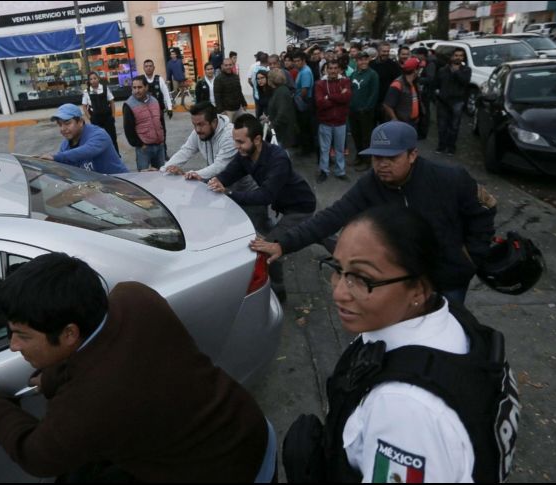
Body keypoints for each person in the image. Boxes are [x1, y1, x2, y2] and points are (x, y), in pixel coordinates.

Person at [0, 252, 277, 482]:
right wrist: (52, 377)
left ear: (70, 333)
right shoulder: (133, 297)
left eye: (22, 336)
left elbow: (34, 455)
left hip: (228, 473)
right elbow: (109, 355)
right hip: (247, 426)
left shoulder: (91, 405)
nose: (13, 346)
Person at [283, 205, 518, 482]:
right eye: (338, 268)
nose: (338, 292)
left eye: (362, 278)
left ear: (418, 289)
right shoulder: (450, 318)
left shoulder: (404, 412)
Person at [250, 121, 497, 305]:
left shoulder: (450, 179)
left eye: (391, 157)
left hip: (449, 278)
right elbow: (331, 217)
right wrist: (283, 244)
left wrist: (471, 256)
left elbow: (484, 210)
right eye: (376, 158)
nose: (382, 164)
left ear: (413, 155)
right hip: (405, 279)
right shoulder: (371, 184)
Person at [208, 114, 316, 302]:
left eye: (240, 142)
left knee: (268, 248)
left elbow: (265, 195)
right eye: (235, 141)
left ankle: (278, 292)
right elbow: (228, 174)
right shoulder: (245, 155)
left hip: (300, 207)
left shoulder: (278, 158)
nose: (236, 146)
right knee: (315, 231)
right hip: (284, 206)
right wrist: (214, 182)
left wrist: (228, 193)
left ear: (257, 140)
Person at [161, 102, 267, 230]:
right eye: (194, 125)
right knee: (233, 231)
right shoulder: (198, 133)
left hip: (249, 194)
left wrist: (194, 174)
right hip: (226, 192)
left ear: (214, 122)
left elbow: (220, 166)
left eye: (201, 124)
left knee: (258, 232)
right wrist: (163, 171)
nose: (197, 130)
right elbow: (185, 151)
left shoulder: (229, 135)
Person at [41, 104, 127, 175]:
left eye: (67, 123)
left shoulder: (99, 135)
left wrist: (55, 157)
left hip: (121, 185)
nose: (63, 128)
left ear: (81, 122)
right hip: (96, 190)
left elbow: (86, 151)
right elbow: (64, 169)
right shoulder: (65, 146)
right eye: (60, 124)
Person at [315, 61, 352, 183]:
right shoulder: (320, 84)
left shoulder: (345, 81)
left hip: (340, 122)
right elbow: (320, 103)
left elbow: (346, 98)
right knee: (324, 149)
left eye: (336, 68)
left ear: (339, 70)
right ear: (326, 70)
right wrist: (338, 97)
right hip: (325, 122)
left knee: (340, 149)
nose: (333, 71)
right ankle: (324, 171)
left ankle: (340, 171)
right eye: (330, 68)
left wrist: (329, 97)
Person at [123, 76, 166, 171]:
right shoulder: (129, 105)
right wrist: (140, 144)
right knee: (143, 179)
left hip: (159, 146)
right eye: (134, 88)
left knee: (162, 176)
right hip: (144, 149)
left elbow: (161, 122)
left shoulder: (154, 101)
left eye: (140, 87)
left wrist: (163, 140)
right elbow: (128, 130)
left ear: (146, 87)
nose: (137, 90)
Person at [435, 47, 472, 156]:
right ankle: (441, 146)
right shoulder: (443, 70)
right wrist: (437, 95)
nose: (458, 58)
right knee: (442, 126)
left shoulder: (466, 70)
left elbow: (465, 82)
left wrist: (456, 72)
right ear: (451, 57)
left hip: (457, 102)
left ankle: (451, 147)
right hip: (442, 102)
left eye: (461, 56)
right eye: (456, 55)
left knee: (454, 126)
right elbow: (436, 84)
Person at [349, 51, 380, 172]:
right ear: (356, 61)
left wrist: (366, 108)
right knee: (356, 136)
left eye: (365, 59)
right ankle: (359, 156)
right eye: (360, 60)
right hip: (353, 110)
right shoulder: (354, 74)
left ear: (368, 60)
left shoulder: (373, 75)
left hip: (365, 112)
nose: (363, 62)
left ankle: (367, 161)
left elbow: (374, 94)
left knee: (366, 137)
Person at [142, 59, 174, 158]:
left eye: (150, 66)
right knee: (148, 133)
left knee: (161, 132)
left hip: (158, 112)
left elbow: (166, 94)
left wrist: (169, 107)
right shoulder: (141, 80)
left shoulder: (159, 79)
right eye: (146, 66)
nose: (148, 68)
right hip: (145, 113)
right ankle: (150, 154)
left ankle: (163, 152)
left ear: (154, 68)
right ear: (143, 68)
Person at [81, 71, 119, 154]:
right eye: (91, 79)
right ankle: (103, 155)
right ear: (89, 81)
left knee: (112, 137)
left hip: (108, 118)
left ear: (98, 79)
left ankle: (116, 154)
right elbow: (84, 106)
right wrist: (90, 118)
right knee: (98, 138)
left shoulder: (105, 88)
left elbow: (112, 102)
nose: (93, 80)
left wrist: (113, 116)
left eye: (95, 78)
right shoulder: (86, 91)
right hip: (96, 119)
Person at [383, 57, 421, 128]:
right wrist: (395, 120)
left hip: (413, 122)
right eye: (419, 68)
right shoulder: (397, 84)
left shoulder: (414, 82)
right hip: (402, 123)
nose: (420, 71)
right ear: (415, 70)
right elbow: (387, 105)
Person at [370, 42, 402, 124]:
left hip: (387, 101)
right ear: (378, 51)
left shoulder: (394, 65)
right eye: (384, 51)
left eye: (388, 51)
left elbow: (398, 81)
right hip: (373, 101)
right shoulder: (371, 64)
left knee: (384, 125)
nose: (386, 53)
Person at [266, 68, 298, 149]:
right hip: (281, 131)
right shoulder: (280, 90)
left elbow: (282, 113)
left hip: (281, 132)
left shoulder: (281, 92)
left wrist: (272, 125)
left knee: (280, 156)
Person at [292, 50, 315, 156]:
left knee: (305, 127)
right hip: (303, 100)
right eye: (295, 61)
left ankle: (307, 150)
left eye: (298, 61)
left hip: (305, 101)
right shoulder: (302, 70)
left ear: (303, 60)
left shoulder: (305, 72)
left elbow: (304, 90)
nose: (296, 63)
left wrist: (299, 100)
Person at [214, 56, 248, 122]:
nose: (228, 67)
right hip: (227, 111)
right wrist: (221, 111)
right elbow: (217, 96)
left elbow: (239, 91)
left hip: (238, 109)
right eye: (226, 65)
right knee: (229, 130)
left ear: (233, 65)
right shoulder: (218, 79)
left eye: (230, 65)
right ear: (222, 66)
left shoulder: (235, 77)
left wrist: (244, 103)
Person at [414, 46, 438, 140]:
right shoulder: (424, 63)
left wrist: (418, 79)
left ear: (422, 55)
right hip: (422, 91)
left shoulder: (430, 64)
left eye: (418, 54)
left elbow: (430, 79)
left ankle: (423, 133)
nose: (416, 56)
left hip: (426, 92)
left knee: (425, 113)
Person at [249, 52, 270, 117]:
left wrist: (255, 88)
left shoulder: (254, 69)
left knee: (258, 114)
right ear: (267, 60)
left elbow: (250, 81)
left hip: (256, 95)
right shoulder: (266, 70)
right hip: (265, 96)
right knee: (267, 114)